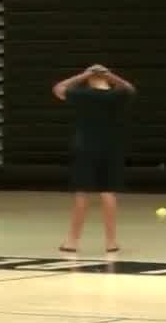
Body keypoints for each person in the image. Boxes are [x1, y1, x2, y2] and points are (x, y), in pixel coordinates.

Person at [52, 64, 134, 253]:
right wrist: (112, 75)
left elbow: (58, 88)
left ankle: (72, 242)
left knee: (81, 194)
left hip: (84, 148)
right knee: (108, 192)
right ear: (107, 79)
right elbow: (129, 88)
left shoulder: (82, 95)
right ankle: (111, 242)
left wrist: (81, 75)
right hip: (110, 148)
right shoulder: (116, 95)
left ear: (89, 79)